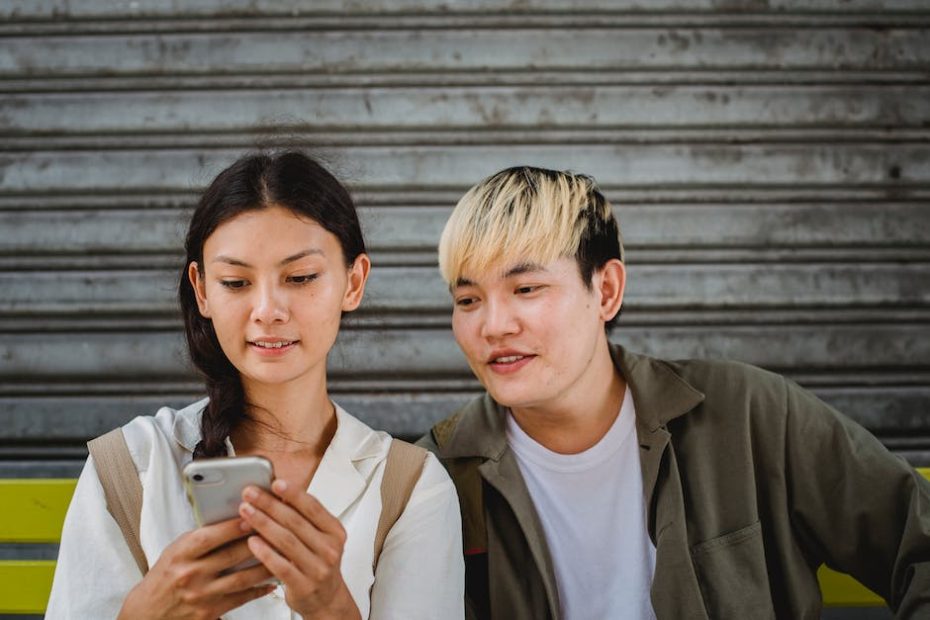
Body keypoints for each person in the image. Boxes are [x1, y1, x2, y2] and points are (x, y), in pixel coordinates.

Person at [418, 166, 930, 619]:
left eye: (526, 289)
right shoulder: (434, 478)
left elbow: (916, 542)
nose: (492, 325)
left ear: (607, 290)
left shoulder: (747, 414)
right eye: (467, 299)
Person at [48, 151, 464, 619]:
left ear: (354, 281)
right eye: (236, 282)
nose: (268, 309)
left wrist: (333, 609)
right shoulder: (128, 467)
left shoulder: (410, 489)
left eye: (301, 277)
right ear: (201, 289)